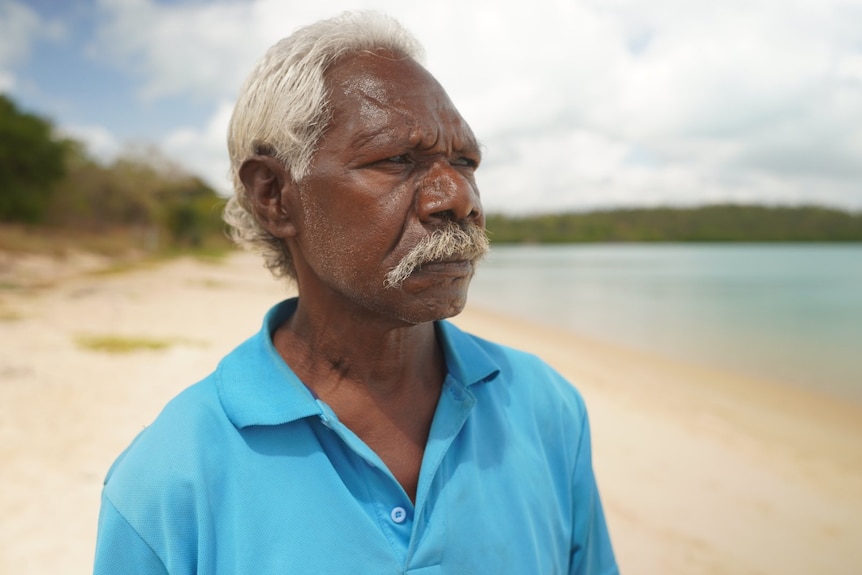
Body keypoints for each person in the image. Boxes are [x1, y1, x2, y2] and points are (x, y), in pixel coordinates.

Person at [93, 11, 618, 574]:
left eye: (465, 162)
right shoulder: (171, 481)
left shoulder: (543, 407)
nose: (458, 197)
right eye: (397, 159)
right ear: (274, 195)